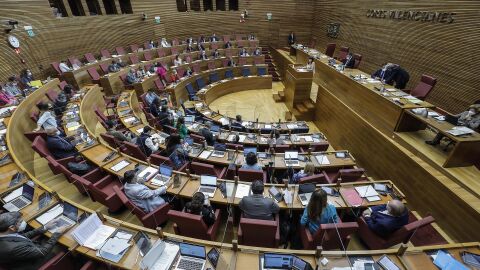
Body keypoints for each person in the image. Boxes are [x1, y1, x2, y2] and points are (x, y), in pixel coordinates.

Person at [0, 211, 71, 270]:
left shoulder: (4, 234)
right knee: (63, 246)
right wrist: (57, 233)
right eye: (20, 222)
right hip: (34, 263)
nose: (23, 223)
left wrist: (45, 227)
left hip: (28, 252)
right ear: (12, 227)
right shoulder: (12, 248)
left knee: (47, 238)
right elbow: (42, 252)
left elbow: (22, 236)